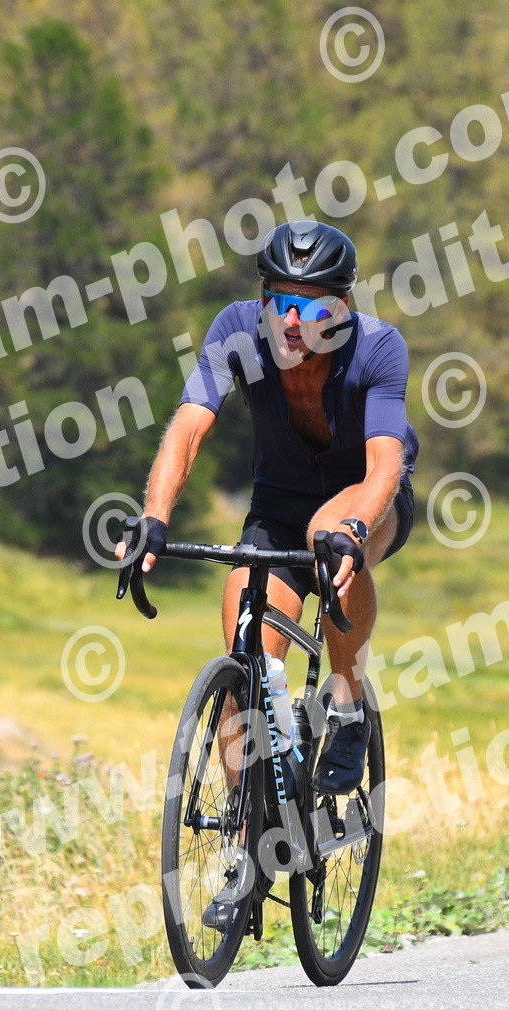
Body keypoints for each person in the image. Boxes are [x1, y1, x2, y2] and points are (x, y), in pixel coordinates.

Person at [118, 221, 417, 922]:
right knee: (243, 658)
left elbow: (384, 464)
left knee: (327, 537)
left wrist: (353, 529)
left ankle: (346, 704)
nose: (293, 320)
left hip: (366, 501)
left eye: (312, 306)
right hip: (277, 507)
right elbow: (189, 426)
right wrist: (153, 517)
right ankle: (250, 847)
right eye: (281, 300)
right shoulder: (235, 332)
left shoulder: (378, 348)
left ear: (342, 308)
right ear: (262, 299)